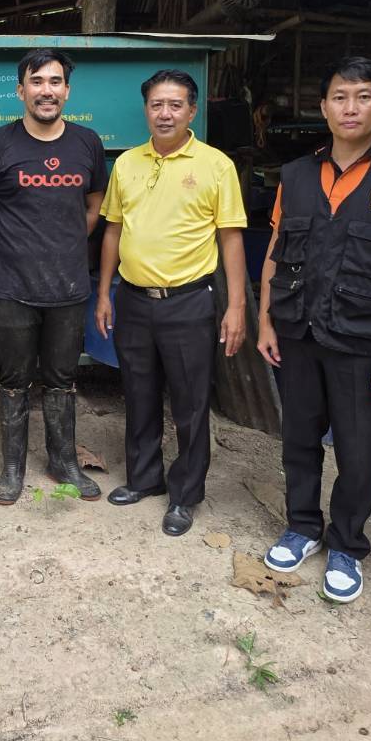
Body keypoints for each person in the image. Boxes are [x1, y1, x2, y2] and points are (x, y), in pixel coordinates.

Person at [256, 55, 371, 603]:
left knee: (358, 451)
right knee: (298, 439)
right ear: (324, 108)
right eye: (340, 97)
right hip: (298, 332)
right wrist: (266, 318)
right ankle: (302, 526)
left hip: (363, 339)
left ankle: (347, 544)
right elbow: (274, 252)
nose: (350, 108)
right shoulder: (295, 175)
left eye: (363, 96)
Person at [95, 69, 248, 537]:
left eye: (175, 105)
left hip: (188, 302)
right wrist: (104, 292)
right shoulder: (127, 164)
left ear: (192, 111)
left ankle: (185, 494)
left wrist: (236, 306)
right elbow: (113, 230)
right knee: (138, 393)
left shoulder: (216, 165)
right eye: (157, 105)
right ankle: (144, 478)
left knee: (190, 402)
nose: (165, 114)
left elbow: (231, 238)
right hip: (134, 299)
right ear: (146, 110)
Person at [0, 49, 107, 504]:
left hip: (68, 286)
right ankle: (12, 467)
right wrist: (6, 250)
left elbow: (94, 207)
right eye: (37, 82)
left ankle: (64, 462)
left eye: (55, 82)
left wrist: (62, 247)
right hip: (12, 288)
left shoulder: (87, 143)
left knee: (62, 377)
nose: (47, 90)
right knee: (14, 377)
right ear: (21, 90)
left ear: (67, 91)